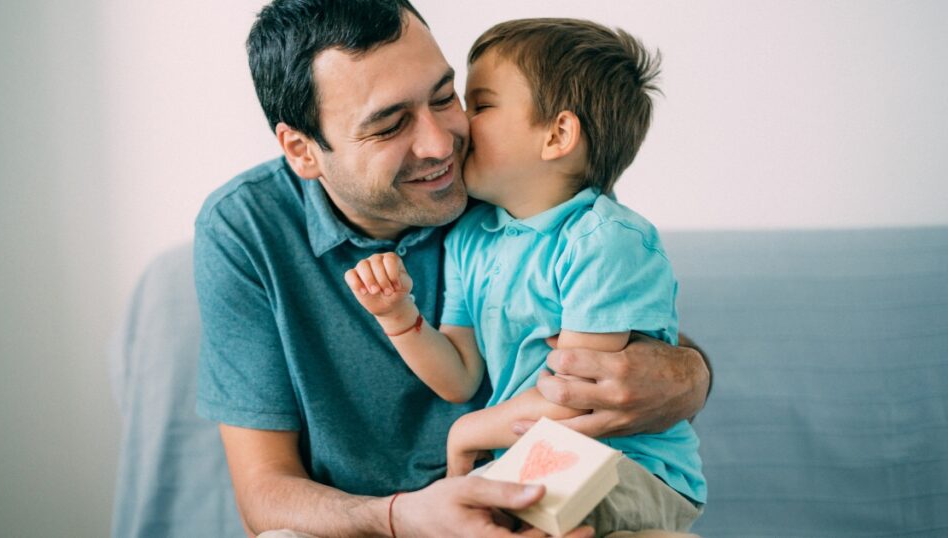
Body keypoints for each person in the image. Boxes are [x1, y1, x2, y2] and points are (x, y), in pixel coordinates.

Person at [193, 1, 711, 536]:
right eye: (390, 125)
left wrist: (693, 377)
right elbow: (264, 492)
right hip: (370, 520)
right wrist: (398, 518)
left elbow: (630, 350)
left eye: (446, 97)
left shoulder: (509, 184)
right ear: (302, 150)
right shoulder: (245, 227)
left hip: (532, 488)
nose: (441, 145)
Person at [344, 18, 705, 532]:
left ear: (557, 134)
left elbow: (576, 400)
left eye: (483, 104)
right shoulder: (472, 235)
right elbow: (460, 375)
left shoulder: (603, 241)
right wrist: (399, 316)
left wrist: (467, 432)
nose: (461, 125)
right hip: (539, 459)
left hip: (628, 468)